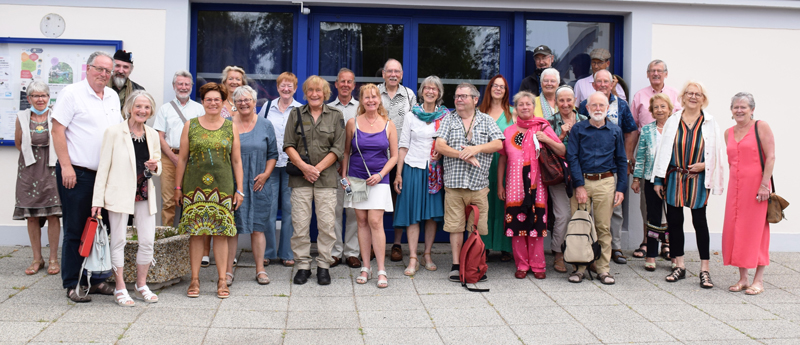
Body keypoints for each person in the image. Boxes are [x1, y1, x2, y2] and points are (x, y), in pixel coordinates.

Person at [52, 51, 123, 302]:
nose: (104, 74)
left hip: (104, 175)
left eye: (108, 71)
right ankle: (72, 283)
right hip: (77, 173)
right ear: (88, 68)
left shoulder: (113, 96)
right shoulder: (71, 93)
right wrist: (66, 165)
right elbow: (57, 130)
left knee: (99, 227)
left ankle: (94, 279)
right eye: (99, 69)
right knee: (75, 228)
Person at [91, 91, 162, 306]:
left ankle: (141, 285)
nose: (142, 110)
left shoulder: (152, 134)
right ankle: (120, 286)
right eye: (139, 106)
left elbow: (157, 167)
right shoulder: (113, 132)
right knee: (119, 240)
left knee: (148, 241)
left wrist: (154, 167)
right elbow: (103, 168)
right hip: (119, 194)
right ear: (129, 108)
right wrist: (97, 201)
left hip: (144, 194)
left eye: (147, 107)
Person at [174, 82, 244, 299]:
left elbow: (236, 160)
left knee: (221, 233)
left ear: (223, 102)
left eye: (217, 99)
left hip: (222, 187)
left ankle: (222, 280)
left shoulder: (231, 126)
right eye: (208, 99)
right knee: (196, 233)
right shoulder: (190, 125)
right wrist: (178, 187)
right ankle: (195, 279)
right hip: (194, 186)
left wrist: (239, 190)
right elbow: (182, 158)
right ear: (202, 102)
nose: (213, 103)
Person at [652, 81, 725, 288]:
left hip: (698, 180)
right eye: (689, 93)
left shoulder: (710, 122)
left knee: (700, 222)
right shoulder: (673, 120)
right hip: (675, 177)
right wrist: (658, 179)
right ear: (682, 97)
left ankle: (704, 270)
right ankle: (679, 265)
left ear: (703, 99)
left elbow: (717, 154)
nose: (693, 97)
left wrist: (704, 165)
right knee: (674, 222)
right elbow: (663, 152)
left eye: (698, 94)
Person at [434, 83, 504, 282]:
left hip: (478, 186)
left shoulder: (486, 120)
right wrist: (463, 155)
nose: (458, 100)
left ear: (475, 99)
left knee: (477, 228)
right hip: (454, 185)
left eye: (463, 96)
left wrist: (477, 149)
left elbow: (498, 143)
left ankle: (474, 263)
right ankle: (456, 265)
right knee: (455, 227)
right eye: (456, 96)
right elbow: (440, 145)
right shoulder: (449, 119)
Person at [284, 75, 345, 286]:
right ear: (305, 93)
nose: (314, 94)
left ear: (325, 93)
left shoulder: (336, 116)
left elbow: (338, 148)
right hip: (301, 180)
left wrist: (316, 169)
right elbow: (288, 144)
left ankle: (323, 265)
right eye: (310, 90)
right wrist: (305, 168)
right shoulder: (295, 113)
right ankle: (302, 265)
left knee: (327, 225)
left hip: (326, 179)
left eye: (318, 90)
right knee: (300, 224)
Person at [499, 91, 565, 279]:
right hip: (514, 186)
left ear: (533, 107)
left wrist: (546, 139)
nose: (525, 107)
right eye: (521, 104)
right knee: (517, 226)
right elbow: (503, 159)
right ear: (516, 108)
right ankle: (521, 265)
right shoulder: (509, 131)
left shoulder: (543, 127)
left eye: (528, 104)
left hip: (537, 186)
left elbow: (562, 149)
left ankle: (538, 265)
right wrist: (500, 186)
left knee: (536, 225)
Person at [565, 91, 627, 285]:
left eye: (602, 105)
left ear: (607, 108)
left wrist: (621, 189)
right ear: (587, 108)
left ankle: (603, 269)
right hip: (582, 182)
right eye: (594, 106)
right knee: (579, 226)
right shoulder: (578, 129)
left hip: (606, 182)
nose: (598, 109)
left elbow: (621, 161)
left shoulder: (615, 131)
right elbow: (572, 157)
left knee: (603, 227)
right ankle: (579, 268)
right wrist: (579, 185)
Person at [577, 69, 638, 265]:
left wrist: (627, 159)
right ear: (593, 85)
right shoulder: (585, 105)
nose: (603, 84)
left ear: (612, 84)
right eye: (599, 82)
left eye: (607, 81)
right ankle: (585, 255)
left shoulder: (621, 105)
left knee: (614, 211)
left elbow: (630, 131)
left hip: (611, 167)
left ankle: (615, 247)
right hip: (589, 166)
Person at [343, 83, 398, 287]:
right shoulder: (352, 123)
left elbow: (394, 157)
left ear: (379, 99)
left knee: (375, 221)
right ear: (361, 100)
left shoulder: (388, 124)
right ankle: (366, 267)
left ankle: (381, 269)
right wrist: (344, 177)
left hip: (379, 179)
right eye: (367, 97)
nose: (371, 100)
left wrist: (381, 174)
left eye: (374, 97)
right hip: (356, 178)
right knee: (362, 221)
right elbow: (346, 153)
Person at [393, 76, 447, 275]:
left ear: (439, 93)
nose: (430, 91)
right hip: (413, 169)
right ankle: (413, 257)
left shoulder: (445, 116)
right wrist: (398, 174)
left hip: (434, 171)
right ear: (422, 91)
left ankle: (427, 254)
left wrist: (441, 151)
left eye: (434, 88)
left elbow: (447, 142)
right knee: (414, 215)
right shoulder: (411, 115)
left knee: (432, 216)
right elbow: (403, 145)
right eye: (427, 88)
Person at [629, 60, 681, 261]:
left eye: (659, 71)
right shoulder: (640, 96)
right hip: (649, 168)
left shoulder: (676, 96)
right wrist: (632, 164)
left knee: (672, 211)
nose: (656, 74)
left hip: (671, 172)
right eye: (652, 71)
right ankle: (648, 244)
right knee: (649, 208)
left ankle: (667, 244)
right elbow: (634, 128)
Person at [226, 85, 278, 286]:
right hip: (233, 184)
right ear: (235, 104)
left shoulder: (265, 125)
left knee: (258, 228)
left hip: (259, 184)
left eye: (247, 100)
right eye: (239, 100)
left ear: (255, 102)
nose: (243, 103)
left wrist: (265, 175)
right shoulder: (227, 124)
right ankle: (229, 270)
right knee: (233, 228)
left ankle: (260, 269)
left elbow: (273, 154)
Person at [722, 92, 773, 296]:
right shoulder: (728, 132)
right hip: (735, 188)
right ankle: (743, 278)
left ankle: (758, 280)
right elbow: (731, 161)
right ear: (731, 110)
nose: (739, 110)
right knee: (736, 230)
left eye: (744, 107)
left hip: (756, 188)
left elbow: (770, 157)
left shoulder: (761, 127)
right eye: (736, 107)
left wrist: (764, 185)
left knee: (757, 232)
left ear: (752, 109)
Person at [14, 81, 62, 276]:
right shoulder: (21, 117)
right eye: (35, 96)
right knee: (31, 215)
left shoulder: (56, 116)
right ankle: (37, 258)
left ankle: (53, 259)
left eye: (43, 95)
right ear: (29, 99)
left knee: (53, 214)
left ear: (49, 97)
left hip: (51, 169)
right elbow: (18, 142)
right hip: (29, 170)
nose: (40, 99)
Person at [260, 72, 303, 267]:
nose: (286, 89)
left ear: (295, 88)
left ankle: (287, 252)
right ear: (277, 88)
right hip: (269, 166)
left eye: (290, 86)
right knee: (268, 210)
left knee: (289, 210)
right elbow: (258, 130)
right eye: (282, 86)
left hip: (291, 166)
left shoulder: (301, 109)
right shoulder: (267, 108)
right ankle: (268, 251)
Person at [153, 70, 205, 228]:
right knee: (168, 201)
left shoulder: (199, 109)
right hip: (169, 158)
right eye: (180, 84)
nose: (183, 87)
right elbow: (160, 136)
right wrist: (173, 156)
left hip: (192, 160)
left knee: (190, 199)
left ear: (192, 86)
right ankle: (166, 239)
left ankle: (187, 240)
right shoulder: (165, 109)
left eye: (187, 84)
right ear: (174, 86)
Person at [378, 58, 417, 263]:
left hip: (401, 157)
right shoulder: (374, 92)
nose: (393, 75)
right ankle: (372, 245)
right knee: (373, 201)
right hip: (376, 157)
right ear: (383, 74)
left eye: (397, 71)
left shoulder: (409, 95)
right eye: (389, 71)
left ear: (401, 75)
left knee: (399, 201)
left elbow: (416, 123)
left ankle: (396, 244)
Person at [547, 85, 587, 273]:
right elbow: (547, 151)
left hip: (581, 175)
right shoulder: (549, 123)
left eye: (569, 100)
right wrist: (561, 135)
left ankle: (581, 253)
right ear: (555, 102)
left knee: (580, 214)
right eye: (561, 100)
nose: (565, 104)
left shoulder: (584, 121)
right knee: (562, 215)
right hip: (558, 176)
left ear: (575, 102)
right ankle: (558, 253)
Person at [631, 93, 672, 271]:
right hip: (650, 178)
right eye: (656, 107)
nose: (660, 110)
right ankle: (651, 255)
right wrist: (636, 179)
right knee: (653, 217)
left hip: (673, 179)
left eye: (663, 106)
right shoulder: (647, 130)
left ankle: (673, 251)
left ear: (670, 109)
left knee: (673, 217)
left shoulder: (677, 129)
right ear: (652, 111)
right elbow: (640, 157)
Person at [478, 75, 515, 262]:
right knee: (484, 205)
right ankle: (482, 246)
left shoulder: (512, 113)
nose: (498, 89)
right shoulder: (479, 111)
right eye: (495, 85)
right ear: (490, 88)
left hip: (504, 165)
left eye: (502, 86)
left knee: (502, 204)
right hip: (481, 165)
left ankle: (505, 246)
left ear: (506, 91)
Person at [328, 68, 361, 269]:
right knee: (334, 211)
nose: (346, 85)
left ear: (354, 85)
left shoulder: (362, 108)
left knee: (354, 212)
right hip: (334, 167)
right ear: (336, 84)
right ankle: (334, 253)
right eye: (342, 81)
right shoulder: (328, 108)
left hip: (356, 167)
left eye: (349, 82)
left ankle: (352, 252)